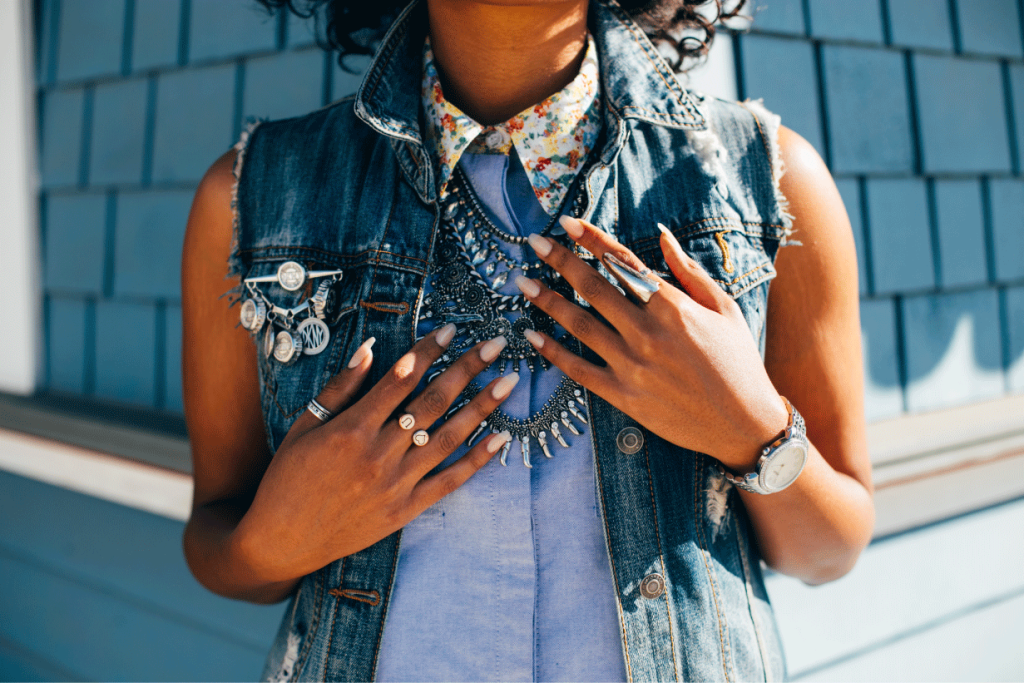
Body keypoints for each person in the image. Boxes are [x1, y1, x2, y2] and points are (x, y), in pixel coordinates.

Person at [181, 0, 874, 680]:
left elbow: (829, 550)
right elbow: (215, 539)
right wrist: (274, 539)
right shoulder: (255, 197)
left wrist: (754, 430)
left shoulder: (767, 182)